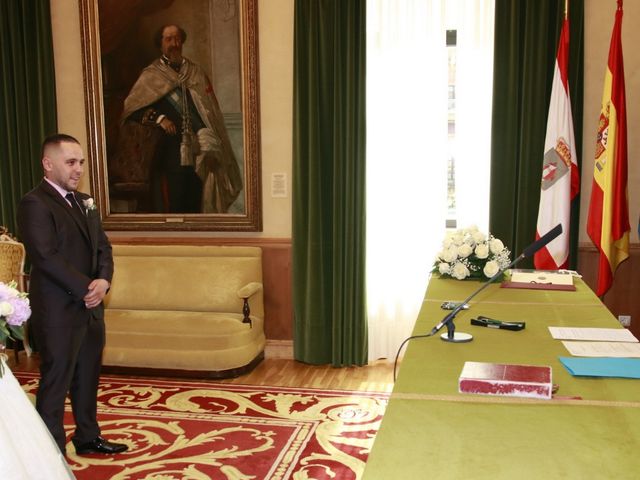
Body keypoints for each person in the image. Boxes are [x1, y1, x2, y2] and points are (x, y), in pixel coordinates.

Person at [17, 134, 128, 456]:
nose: (78, 169)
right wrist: (86, 288)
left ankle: (87, 437)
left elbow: (103, 248)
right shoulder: (35, 202)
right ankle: (50, 452)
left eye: (80, 162)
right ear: (48, 164)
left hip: (91, 309)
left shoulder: (85, 202)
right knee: (56, 383)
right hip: (58, 310)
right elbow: (45, 256)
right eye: (70, 162)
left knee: (87, 378)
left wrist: (103, 281)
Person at [119, 23, 242, 213]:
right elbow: (131, 110)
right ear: (160, 44)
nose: (174, 43)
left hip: (199, 149)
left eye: (177, 39)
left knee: (198, 200)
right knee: (175, 204)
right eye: (168, 39)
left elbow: (210, 110)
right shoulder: (151, 75)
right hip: (169, 150)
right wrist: (160, 119)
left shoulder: (195, 72)